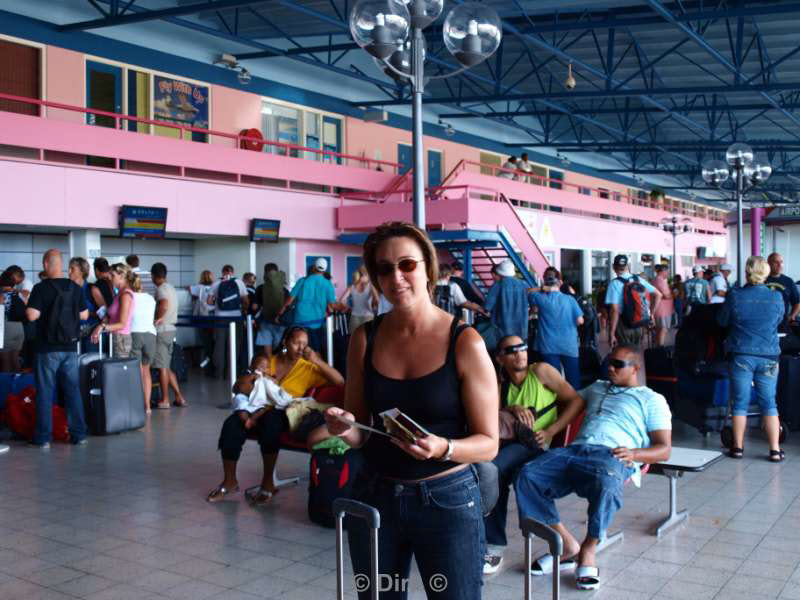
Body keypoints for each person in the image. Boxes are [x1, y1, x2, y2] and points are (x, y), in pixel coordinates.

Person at [324, 221, 498, 600]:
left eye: (407, 265)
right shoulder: (364, 338)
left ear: (428, 269)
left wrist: (443, 448)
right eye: (384, 269)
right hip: (376, 494)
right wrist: (344, 427)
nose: (396, 277)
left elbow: (488, 444)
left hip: (447, 499)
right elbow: (360, 431)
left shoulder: (464, 341)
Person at [515, 345, 672, 590]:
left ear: (635, 369)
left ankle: (589, 548)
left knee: (608, 482)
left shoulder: (651, 399)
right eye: (609, 362)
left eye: (618, 365)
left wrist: (635, 453)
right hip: (576, 450)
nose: (610, 368)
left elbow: (664, 449)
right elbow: (573, 405)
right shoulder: (597, 388)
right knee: (527, 475)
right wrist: (549, 431)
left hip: (613, 455)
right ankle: (567, 545)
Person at [483, 335, 584, 575]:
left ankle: (494, 547)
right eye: (511, 350)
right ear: (500, 358)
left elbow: (576, 402)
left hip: (537, 444)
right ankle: (486, 540)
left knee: (493, 469)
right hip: (511, 444)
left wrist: (551, 431)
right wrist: (509, 408)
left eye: (523, 347)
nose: (520, 353)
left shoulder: (541, 371)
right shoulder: (501, 383)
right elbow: (492, 415)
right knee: (489, 470)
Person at [209, 326, 343, 504]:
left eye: (305, 344)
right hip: (256, 406)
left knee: (271, 424)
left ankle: (267, 483)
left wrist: (317, 361)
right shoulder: (267, 361)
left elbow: (340, 381)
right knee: (231, 425)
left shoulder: (308, 368)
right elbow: (238, 387)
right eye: (296, 342)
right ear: (285, 342)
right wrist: (255, 378)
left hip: (284, 411)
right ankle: (230, 481)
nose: (300, 348)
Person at [717, 256, 785, 461]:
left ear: (747, 273)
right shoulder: (776, 297)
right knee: (769, 403)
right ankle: (774, 450)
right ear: (766, 273)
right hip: (768, 355)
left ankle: (737, 448)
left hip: (741, 354)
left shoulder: (735, 295)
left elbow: (721, 321)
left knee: (740, 402)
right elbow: (780, 320)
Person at [25, 249, 89, 448]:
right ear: (61, 265)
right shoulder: (75, 287)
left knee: (45, 391)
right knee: (72, 391)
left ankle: (43, 438)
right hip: (70, 347)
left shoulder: (40, 288)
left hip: (47, 349)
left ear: (45, 264)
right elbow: (85, 315)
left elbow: (31, 316)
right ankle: (79, 435)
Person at [528, 268, 584, 389]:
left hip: (548, 345)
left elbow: (528, 292)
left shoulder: (539, 298)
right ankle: (577, 404)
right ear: (559, 282)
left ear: (545, 281)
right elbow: (580, 321)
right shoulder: (570, 299)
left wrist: (544, 289)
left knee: (553, 379)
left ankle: (558, 404)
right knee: (573, 378)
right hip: (569, 345)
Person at [277, 258, 336, 355]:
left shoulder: (302, 281)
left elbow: (289, 300)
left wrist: (280, 313)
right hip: (317, 322)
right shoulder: (327, 284)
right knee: (316, 350)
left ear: (314, 267)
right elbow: (332, 306)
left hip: (300, 321)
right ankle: (315, 368)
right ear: (325, 270)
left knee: (297, 349)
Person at [605, 254, 661, 348]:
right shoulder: (638, 279)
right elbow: (658, 295)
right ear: (627, 266)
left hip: (623, 326)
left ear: (613, 267)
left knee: (623, 355)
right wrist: (651, 313)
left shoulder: (614, 284)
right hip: (639, 324)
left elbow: (615, 310)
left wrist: (611, 333)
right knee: (636, 354)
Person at [151, 262, 187, 409]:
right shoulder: (171, 287)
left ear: (154, 276)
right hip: (171, 330)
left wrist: (157, 318)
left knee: (161, 367)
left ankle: (165, 400)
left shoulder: (161, 289)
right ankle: (180, 397)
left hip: (162, 330)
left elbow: (164, 304)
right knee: (166, 365)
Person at [208, 265, 249, 379]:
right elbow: (246, 300)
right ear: (232, 272)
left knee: (219, 345)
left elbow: (209, 301)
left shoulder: (216, 283)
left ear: (222, 272)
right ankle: (231, 374)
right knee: (234, 345)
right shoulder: (239, 283)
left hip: (219, 318)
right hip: (236, 318)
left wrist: (218, 303)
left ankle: (219, 374)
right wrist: (242, 309)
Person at [90, 263, 136, 358]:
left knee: (119, 371)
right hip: (116, 338)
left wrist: (102, 327)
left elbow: (122, 324)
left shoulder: (125, 295)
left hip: (121, 339)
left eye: (113, 275)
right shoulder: (119, 293)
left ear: (122, 276)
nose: (110, 278)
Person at [129, 274, 157, 414]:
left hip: (135, 334)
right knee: (146, 371)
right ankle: (148, 406)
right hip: (150, 335)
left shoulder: (129, 298)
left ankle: (138, 404)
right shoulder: (150, 298)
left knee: (137, 371)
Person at [485, 259, 531, 340]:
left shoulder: (497, 285)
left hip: (501, 331)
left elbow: (487, 307)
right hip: (521, 330)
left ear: (500, 272)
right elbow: (534, 305)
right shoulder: (524, 284)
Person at [254, 263, 288, 358]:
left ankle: (269, 369)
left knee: (267, 352)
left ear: (265, 273)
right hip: (280, 322)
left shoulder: (260, 288)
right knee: (281, 348)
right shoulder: (284, 289)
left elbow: (255, 307)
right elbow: (288, 305)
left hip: (265, 322)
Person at [67, 257, 100, 352]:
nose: (69, 271)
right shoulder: (67, 290)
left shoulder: (92, 289)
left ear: (81, 271)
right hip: (72, 334)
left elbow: (105, 313)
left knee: (89, 363)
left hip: (90, 336)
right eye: (69, 268)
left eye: (72, 269)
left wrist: (88, 313)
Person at [338, 265, 379, 332]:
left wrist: (348, 307)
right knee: (367, 339)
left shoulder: (352, 287)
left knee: (354, 339)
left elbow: (341, 300)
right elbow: (377, 301)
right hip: (368, 316)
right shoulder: (371, 286)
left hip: (355, 316)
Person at [765, 252, 800, 328]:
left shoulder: (789, 281)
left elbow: (797, 303)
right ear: (768, 264)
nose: (780, 265)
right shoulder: (761, 279)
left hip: (783, 324)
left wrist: (792, 316)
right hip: (764, 323)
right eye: (776, 262)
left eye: (781, 262)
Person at [0, 272, 26, 371]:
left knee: (5, 359)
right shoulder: (19, 294)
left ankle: (6, 386)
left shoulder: (2, 296)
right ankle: (18, 384)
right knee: (15, 359)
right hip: (19, 328)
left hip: (6, 328)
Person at [191, 270, 215, 368]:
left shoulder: (199, 287)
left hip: (203, 317)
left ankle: (207, 361)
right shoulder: (215, 286)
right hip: (213, 316)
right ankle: (212, 361)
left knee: (205, 340)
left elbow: (189, 290)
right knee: (212, 340)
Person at [652, 265, 674, 347]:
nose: (668, 273)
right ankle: (660, 348)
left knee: (660, 329)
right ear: (662, 272)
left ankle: (658, 347)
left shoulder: (656, 280)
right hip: (662, 310)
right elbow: (666, 295)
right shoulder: (660, 281)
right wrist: (674, 295)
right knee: (663, 329)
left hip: (661, 309)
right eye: (667, 272)